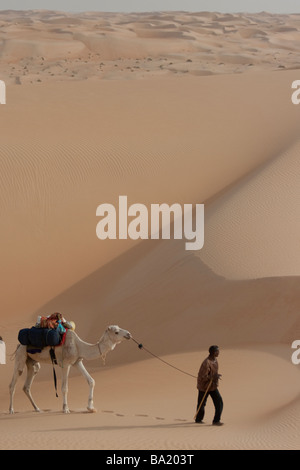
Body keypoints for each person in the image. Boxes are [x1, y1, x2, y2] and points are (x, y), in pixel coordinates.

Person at [195, 345, 223, 425]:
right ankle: (198, 420)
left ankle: (216, 420)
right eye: (217, 351)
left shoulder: (215, 360)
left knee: (219, 402)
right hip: (204, 386)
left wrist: (216, 377)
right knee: (201, 404)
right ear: (213, 352)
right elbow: (203, 376)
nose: (218, 353)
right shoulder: (206, 362)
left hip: (212, 386)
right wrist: (212, 377)